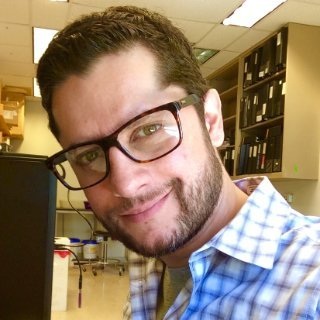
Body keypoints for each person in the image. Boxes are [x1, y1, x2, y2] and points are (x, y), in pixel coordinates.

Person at [37, 5, 320, 319]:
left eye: (149, 129)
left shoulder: (311, 287)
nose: (126, 185)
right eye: (88, 155)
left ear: (211, 120)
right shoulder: (151, 257)